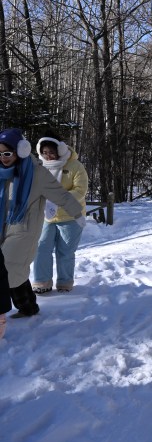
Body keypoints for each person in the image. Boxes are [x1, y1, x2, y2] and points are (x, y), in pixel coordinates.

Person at [0, 128, 86, 330]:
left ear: (20, 151)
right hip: (3, 226)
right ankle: (28, 306)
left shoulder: (37, 173)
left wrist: (78, 215)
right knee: (11, 269)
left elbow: (62, 196)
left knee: (8, 268)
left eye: (7, 153)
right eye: (0, 153)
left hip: (24, 229)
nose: (3, 158)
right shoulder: (1, 171)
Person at [32, 136, 88, 294]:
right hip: (45, 217)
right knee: (41, 248)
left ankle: (65, 282)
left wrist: (57, 199)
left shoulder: (75, 166)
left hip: (70, 216)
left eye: (51, 152)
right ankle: (42, 282)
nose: (48, 155)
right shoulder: (38, 167)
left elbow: (80, 190)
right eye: (44, 152)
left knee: (65, 251)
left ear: (60, 150)